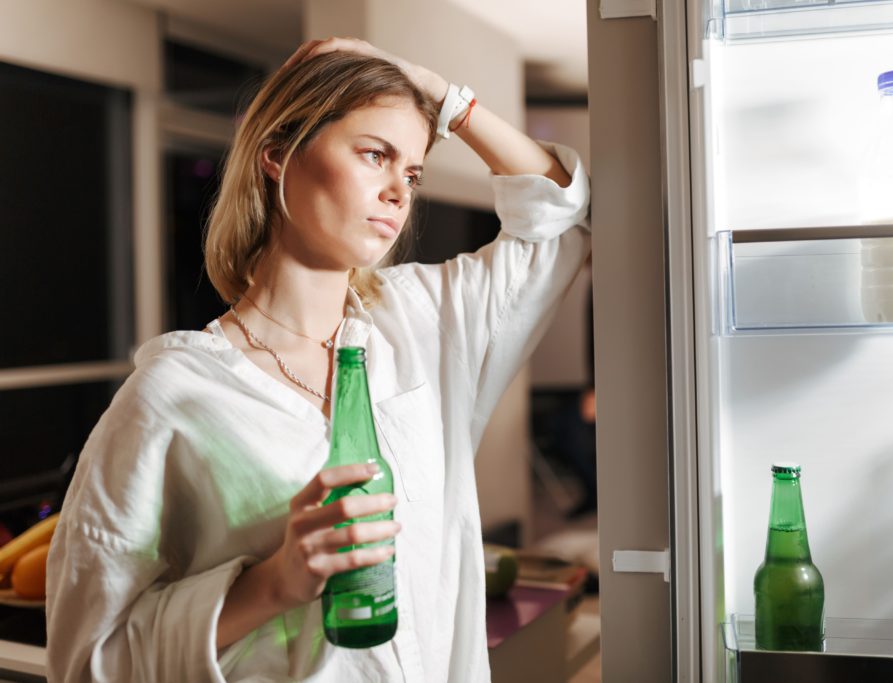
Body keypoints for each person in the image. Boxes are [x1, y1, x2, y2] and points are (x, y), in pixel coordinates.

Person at [45, 38, 590, 682]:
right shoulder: (175, 392)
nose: (398, 192)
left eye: (412, 172)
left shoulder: (423, 321)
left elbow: (559, 214)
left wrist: (442, 97)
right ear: (278, 155)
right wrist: (271, 584)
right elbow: (87, 661)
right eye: (373, 154)